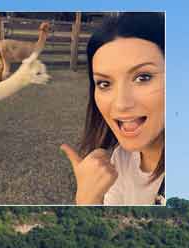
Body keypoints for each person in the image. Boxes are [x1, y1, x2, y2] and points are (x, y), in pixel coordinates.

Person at [61, 12, 165, 205]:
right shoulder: (120, 159)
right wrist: (88, 198)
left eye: (143, 77)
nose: (120, 104)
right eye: (104, 83)